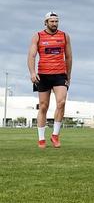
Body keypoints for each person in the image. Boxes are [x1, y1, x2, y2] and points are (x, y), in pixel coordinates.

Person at [27, 12, 72, 149]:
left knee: (61, 102)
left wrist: (68, 76)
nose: (54, 24)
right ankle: (41, 139)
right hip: (43, 75)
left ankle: (55, 135)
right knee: (43, 106)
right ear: (45, 22)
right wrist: (33, 72)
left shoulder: (64, 36)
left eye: (56, 21)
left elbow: (69, 57)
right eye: (51, 21)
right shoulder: (38, 36)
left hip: (60, 75)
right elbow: (31, 56)